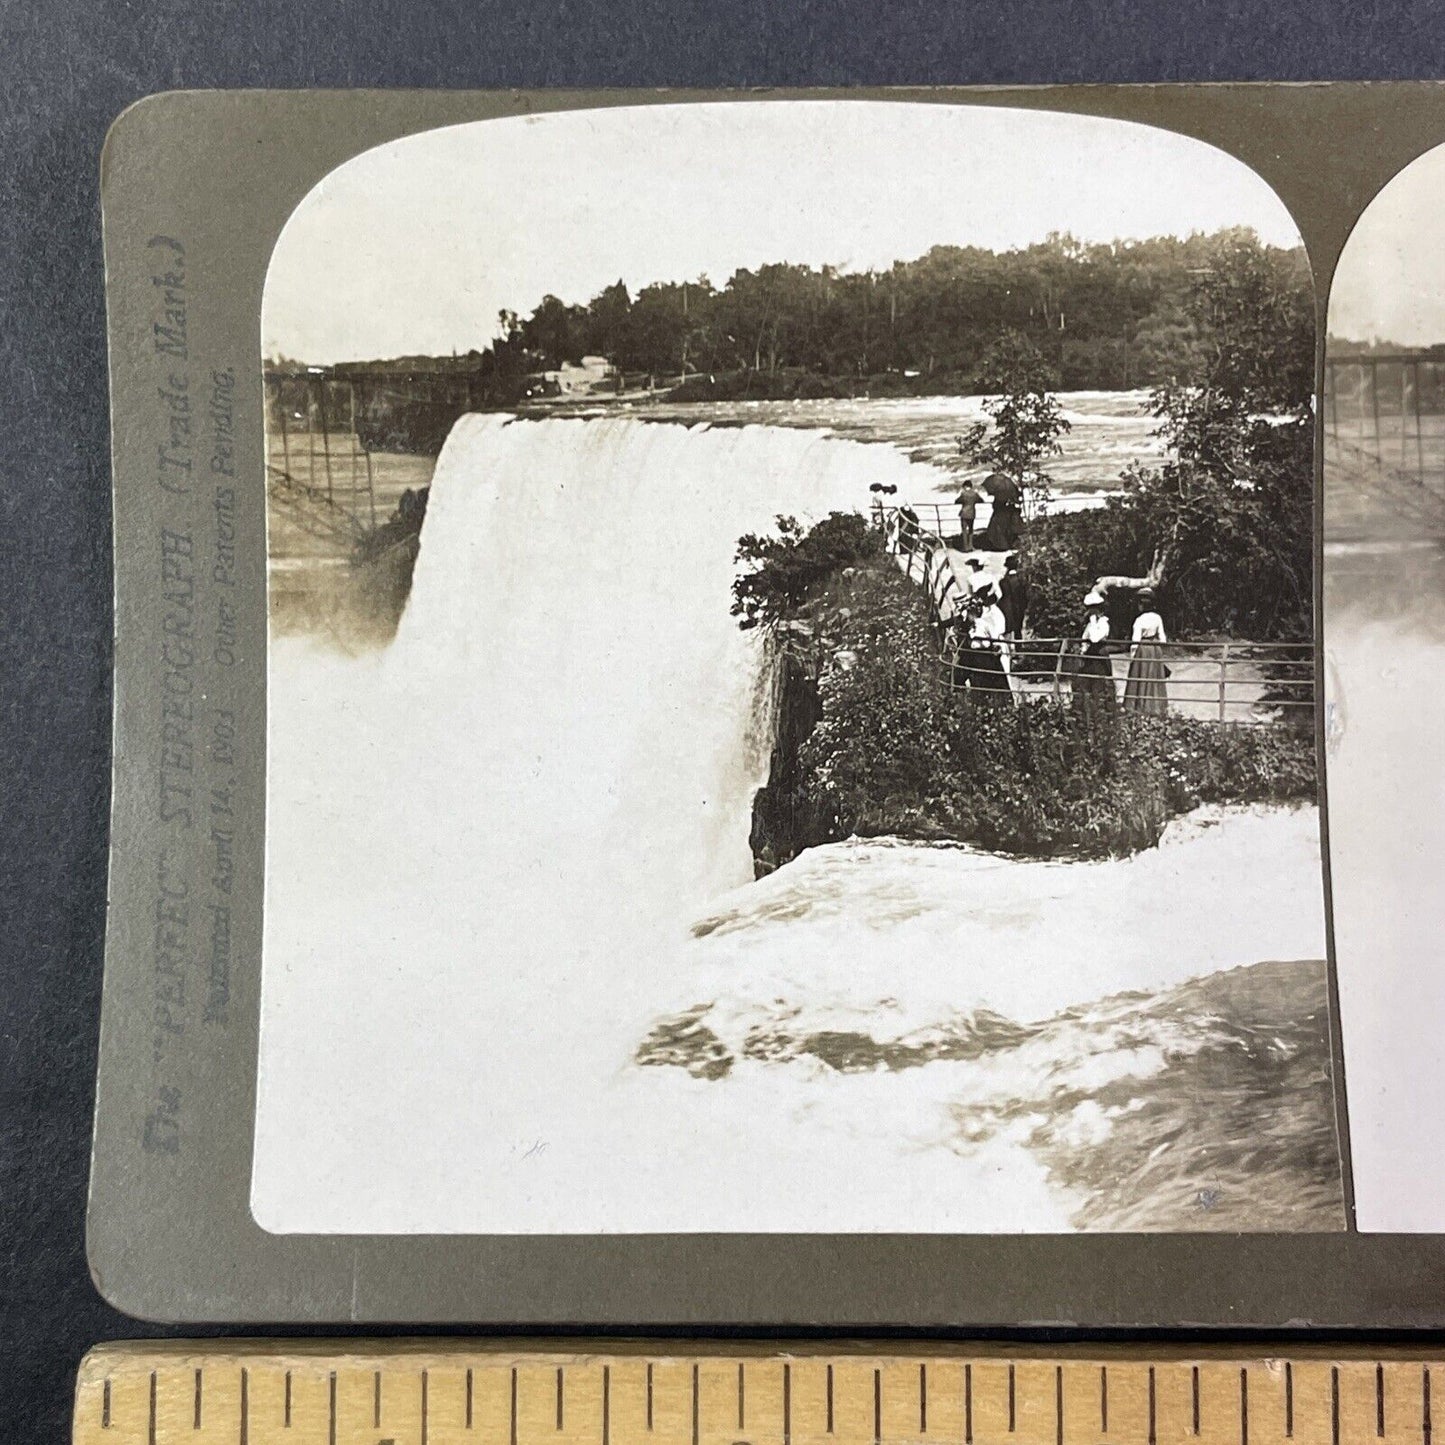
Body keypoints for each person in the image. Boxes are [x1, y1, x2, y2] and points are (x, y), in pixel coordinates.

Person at [1122, 587, 1170, 715]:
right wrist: (1158, 648)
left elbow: (1135, 641)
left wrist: (1133, 657)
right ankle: (1156, 707)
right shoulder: (1157, 618)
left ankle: (1139, 707)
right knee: (1154, 675)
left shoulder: (1139, 620)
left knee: (1140, 676)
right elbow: (1163, 638)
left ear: (1141, 605)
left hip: (1143, 648)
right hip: (1155, 648)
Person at [963, 583, 1011, 702]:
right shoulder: (991, 613)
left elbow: (994, 632)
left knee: (1002, 675)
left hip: (996, 644)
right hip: (993, 644)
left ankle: (1005, 700)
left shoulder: (992, 615)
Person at [1074, 590, 1117, 709]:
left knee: (1099, 686)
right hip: (1089, 658)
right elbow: (1085, 639)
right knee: (1084, 685)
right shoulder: (1089, 624)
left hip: (1099, 658)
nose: (1090, 611)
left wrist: (1093, 621)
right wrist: (1082, 651)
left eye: (1093, 608)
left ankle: (1101, 712)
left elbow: (1095, 638)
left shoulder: (1104, 623)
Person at [981, 471, 1023, 551]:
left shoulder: (998, 496)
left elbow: (995, 506)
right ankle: (1005, 545)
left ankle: (999, 546)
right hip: (1005, 515)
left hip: (998, 515)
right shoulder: (1007, 494)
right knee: (1004, 530)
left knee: (996, 531)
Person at [999, 554, 1029, 638]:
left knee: (1007, 630)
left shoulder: (1003, 581)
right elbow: (1025, 596)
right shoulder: (1021, 580)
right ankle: (1018, 648)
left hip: (1007, 608)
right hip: (1019, 607)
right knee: (1018, 629)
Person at [954, 482, 982, 550]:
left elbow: (957, 501)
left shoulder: (964, 494)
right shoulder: (975, 494)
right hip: (972, 513)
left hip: (964, 513)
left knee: (964, 530)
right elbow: (981, 500)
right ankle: (971, 545)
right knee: (971, 530)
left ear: (965, 486)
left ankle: (965, 547)